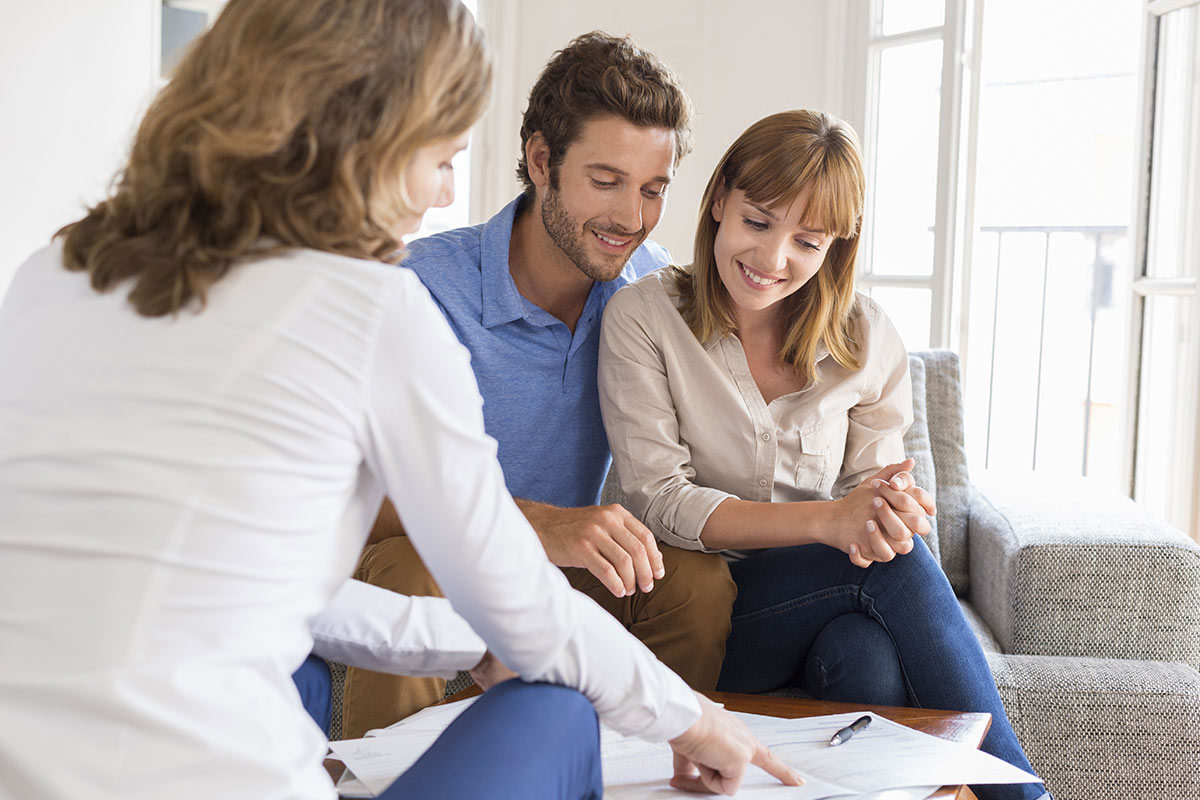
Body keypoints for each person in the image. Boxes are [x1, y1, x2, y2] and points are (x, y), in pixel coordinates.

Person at [0, 2, 802, 798]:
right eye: (441, 156)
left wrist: (461, 642)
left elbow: (266, 589)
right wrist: (694, 721)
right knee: (556, 712)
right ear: (363, 144)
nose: (439, 192)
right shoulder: (375, 307)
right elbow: (518, 604)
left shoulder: (56, 271)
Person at [598, 109, 1051, 800]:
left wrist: (890, 510)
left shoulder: (866, 337)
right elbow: (660, 499)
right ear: (719, 199)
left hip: (821, 610)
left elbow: (873, 491)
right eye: (757, 222)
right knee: (883, 573)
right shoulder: (643, 317)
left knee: (863, 656)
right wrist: (832, 522)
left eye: (806, 241)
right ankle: (1023, 794)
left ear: (837, 245)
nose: (772, 260)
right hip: (697, 612)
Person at [339, 31, 736, 739]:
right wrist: (542, 523)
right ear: (540, 161)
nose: (630, 218)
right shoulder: (422, 288)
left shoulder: (648, 288)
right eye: (606, 180)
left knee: (696, 585)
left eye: (653, 190)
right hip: (437, 562)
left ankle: (642, 772)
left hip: (562, 569)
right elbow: (352, 500)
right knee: (409, 570)